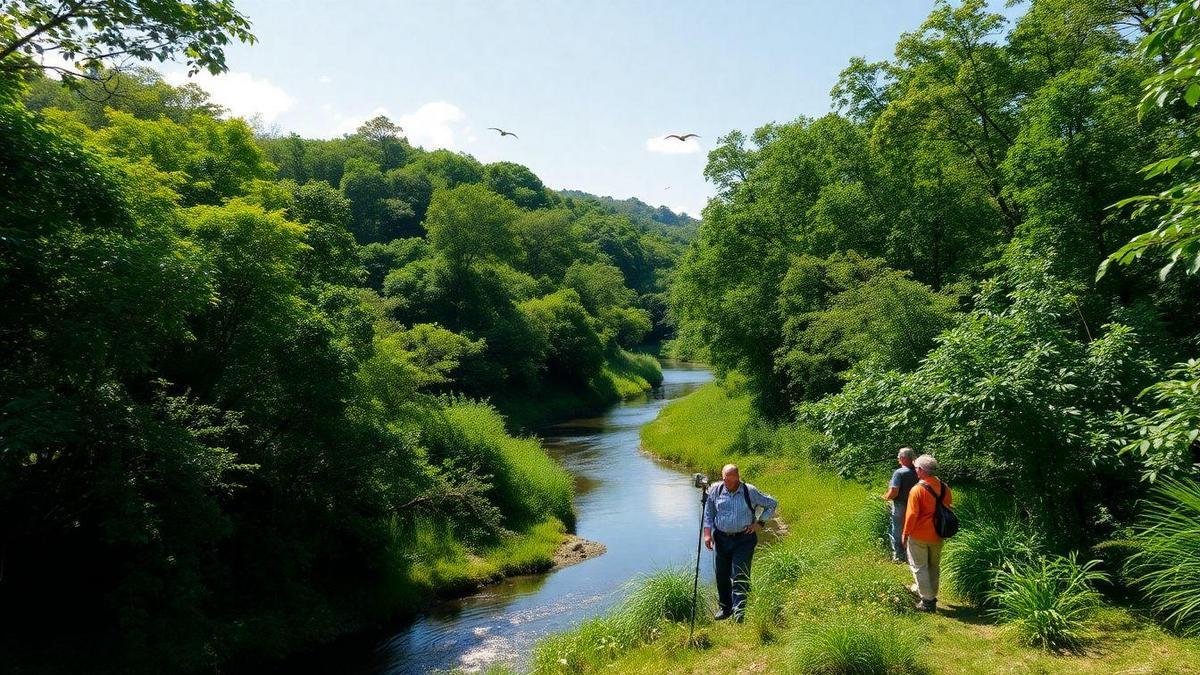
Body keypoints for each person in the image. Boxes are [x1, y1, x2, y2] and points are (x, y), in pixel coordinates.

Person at [702, 464, 778, 622]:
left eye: (730, 479)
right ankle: (725, 608)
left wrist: (760, 523)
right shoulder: (716, 490)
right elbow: (709, 513)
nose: (727, 482)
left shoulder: (749, 491)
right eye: (724, 479)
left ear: (737, 477)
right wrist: (707, 535)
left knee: (739, 574)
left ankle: (739, 611)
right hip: (721, 538)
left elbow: (771, 503)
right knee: (721, 574)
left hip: (744, 539)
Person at [902, 454, 951, 613]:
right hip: (938, 534)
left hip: (919, 535)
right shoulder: (944, 487)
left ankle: (927, 601)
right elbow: (948, 507)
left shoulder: (917, 490)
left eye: (916, 468)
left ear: (922, 470)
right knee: (933, 566)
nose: (915, 470)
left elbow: (912, 515)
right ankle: (932, 595)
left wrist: (905, 533)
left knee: (920, 567)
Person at [881, 447, 918, 563]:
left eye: (898, 457)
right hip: (916, 505)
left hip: (900, 505)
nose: (898, 459)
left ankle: (899, 556)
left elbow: (894, 491)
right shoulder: (919, 471)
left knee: (897, 530)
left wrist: (884, 498)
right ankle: (913, 554)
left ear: (902, 458)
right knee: (913, 529)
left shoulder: (899, 473)